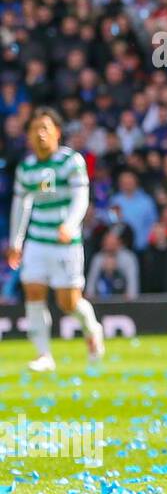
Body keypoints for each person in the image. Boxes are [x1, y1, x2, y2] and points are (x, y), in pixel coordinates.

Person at [5, 108, 105, 371]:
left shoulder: (71, 161)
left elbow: (81, 197)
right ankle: (44, 355)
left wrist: (71, 225)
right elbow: (21, 205)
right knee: (33, 290)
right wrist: (16, 242)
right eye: (34, 129)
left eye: (45, 128)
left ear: (57, 132)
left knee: (68, 302)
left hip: (64, 241)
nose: (40, 134)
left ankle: (92, 329)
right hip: (38, 238)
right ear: (27, 136)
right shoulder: (26, 167)